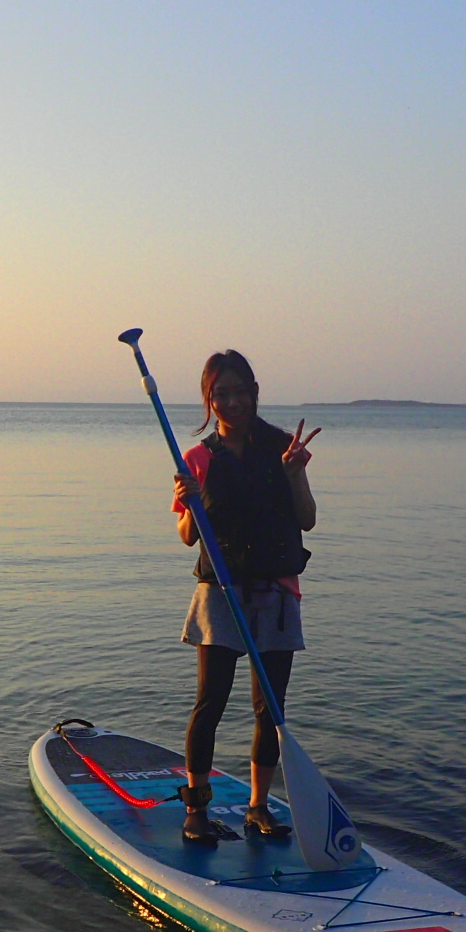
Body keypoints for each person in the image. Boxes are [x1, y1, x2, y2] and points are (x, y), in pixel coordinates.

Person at [169, 350, 322, 846]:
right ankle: (197, 807)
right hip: (220, 594)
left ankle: (258, 806)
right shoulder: (197, 457)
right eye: (221, 394)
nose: (232, 401)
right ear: (209, 400)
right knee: (209, 703)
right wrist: (191, 501)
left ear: (255, 391)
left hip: (276, 592)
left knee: (270, 708)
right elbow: (187, 536)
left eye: (241, 391)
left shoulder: (283, 448)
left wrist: (295, 472)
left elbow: (306, 520)